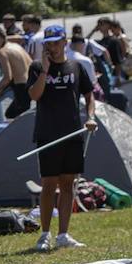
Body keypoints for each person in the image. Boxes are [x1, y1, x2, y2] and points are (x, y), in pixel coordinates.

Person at [28, 24, 96, 251]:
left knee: (68, 184)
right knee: (48, 184)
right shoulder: (37, 67)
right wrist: (45, 71)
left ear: (64, 42)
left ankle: (63, 234)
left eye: (56, 42)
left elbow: (89, 95)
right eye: (48, 44)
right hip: (47, 134)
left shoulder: (76, 67)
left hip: (72, 133)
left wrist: (91, 117)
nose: (52, 47)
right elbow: (35, 95)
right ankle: (44, 234)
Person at [0, 26, 32, 119]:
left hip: (21, 86)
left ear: (4, 38)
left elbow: (7, 77)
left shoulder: (2, 52)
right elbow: (31, 62)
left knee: (11, 115)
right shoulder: (17, 46)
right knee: (20, 114)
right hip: (31, 82)